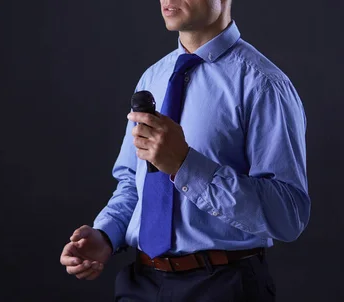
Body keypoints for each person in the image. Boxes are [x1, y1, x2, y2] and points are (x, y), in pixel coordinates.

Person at [59, 0, 311, 301]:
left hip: (221, 287)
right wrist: (106, 235)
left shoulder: (264, 85)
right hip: (140, 285)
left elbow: (288, 215)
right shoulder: (152, 78)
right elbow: (132, 183)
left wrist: (185, 164)